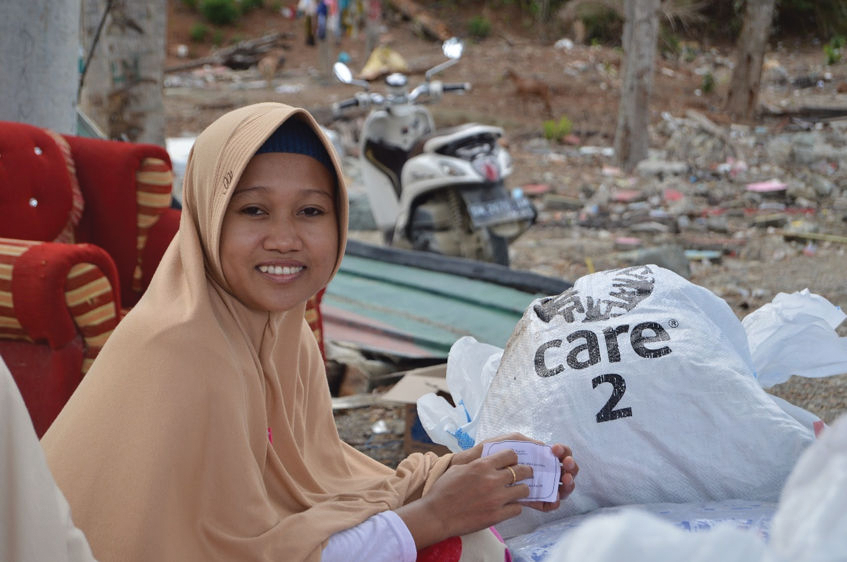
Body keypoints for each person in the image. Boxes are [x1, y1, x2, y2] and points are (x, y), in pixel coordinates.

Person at [41, 102, 579, 561]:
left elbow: (320, 491)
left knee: (468, 535)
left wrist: (477, 472)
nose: (284, 238)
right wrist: (434, 515)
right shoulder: (182, 353)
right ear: (207, 219)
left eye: (310, 211)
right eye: (253, 209)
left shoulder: (283, 335)